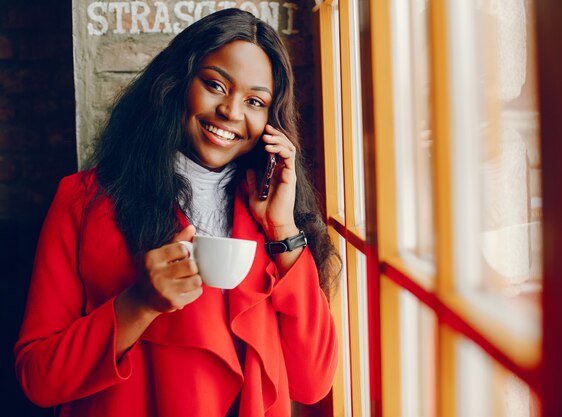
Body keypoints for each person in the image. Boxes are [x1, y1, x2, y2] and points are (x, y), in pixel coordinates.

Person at [14, 8, 339, 417]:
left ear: (271, 122)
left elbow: (313, 382)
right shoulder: (83, 200)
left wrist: (283, 228)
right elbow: (39, 378)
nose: (232, 112)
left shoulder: (271, 220)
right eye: (215, 85)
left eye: (255, 101)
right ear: (177, 83)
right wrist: (138, 303)